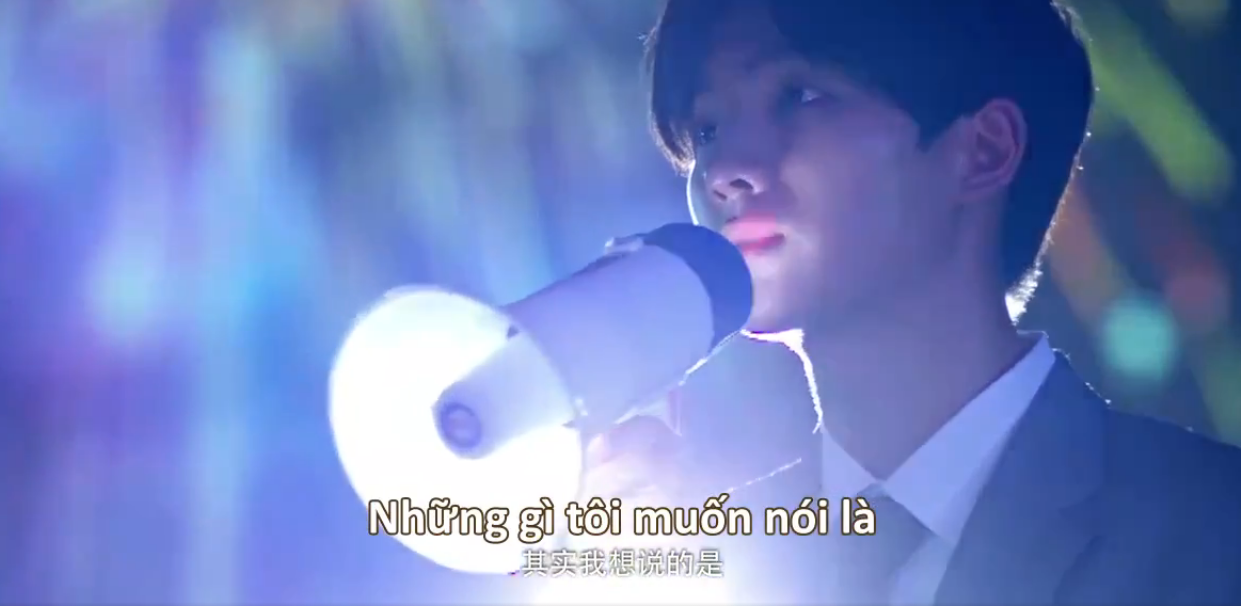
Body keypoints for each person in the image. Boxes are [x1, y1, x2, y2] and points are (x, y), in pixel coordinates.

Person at [583, 0, 1241, 604]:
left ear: (982, 150)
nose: (725, 171)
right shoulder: (708, 557)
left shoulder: (1209, 528)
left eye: (798, 96)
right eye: (706, 131)